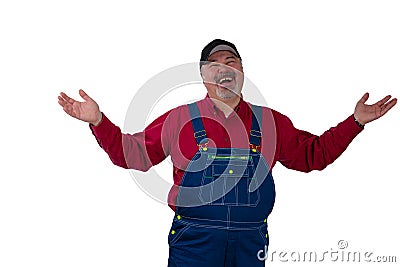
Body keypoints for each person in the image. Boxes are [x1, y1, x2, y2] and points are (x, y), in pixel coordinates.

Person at [58, 39, 397, 267]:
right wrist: (99, 121)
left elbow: (314, 155)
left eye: (231, 62)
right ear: (203, 77)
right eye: (213, 65)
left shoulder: (270, 122)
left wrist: (355, 122)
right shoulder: (179, 119)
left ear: (242, 73)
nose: (223, 69)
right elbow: (132, 155)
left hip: (250, 244)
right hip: (194, 242)